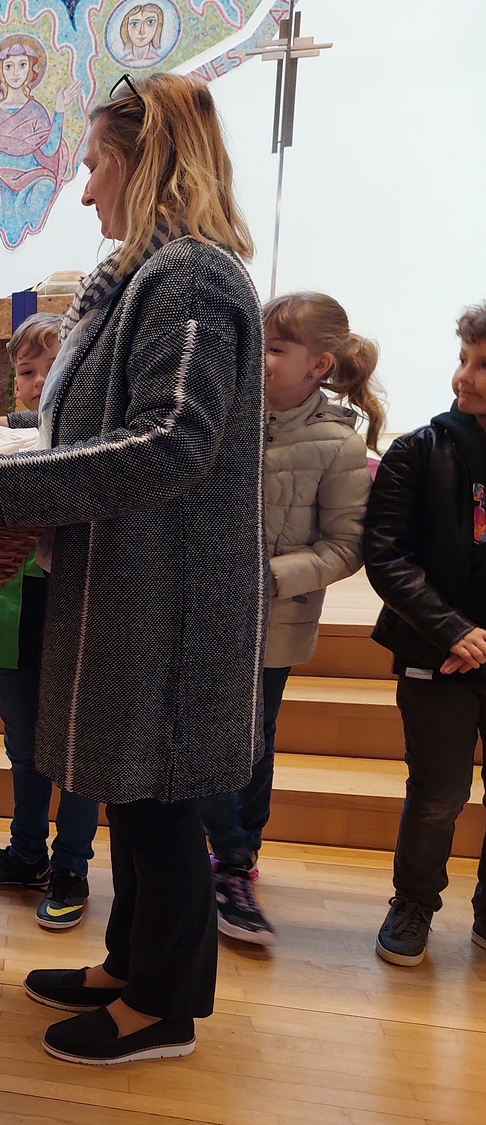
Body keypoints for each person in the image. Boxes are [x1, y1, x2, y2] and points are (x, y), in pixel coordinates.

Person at [0, 73, 264, 1064]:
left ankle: (164, 1006)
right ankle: (129, 962)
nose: (83, 191)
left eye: (94, 168)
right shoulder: (148, 279)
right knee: (131, 791)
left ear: (142, 164)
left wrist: (12, 489)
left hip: (173, 597)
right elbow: (107, 429)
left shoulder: (192, 279)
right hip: (129, 584)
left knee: (159, 799)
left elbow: (175, 439)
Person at [201, 292, 377, 946]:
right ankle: (207, 844)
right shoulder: (221, 414)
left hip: (271, 619)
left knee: (251, 739)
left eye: (275, 348)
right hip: (202, 606)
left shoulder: (338, 443)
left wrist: (268, 578)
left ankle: (236, 860)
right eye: (258, 343)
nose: (259, 357)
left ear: (319, 364)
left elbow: (347, 546)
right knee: (197, 727)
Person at [0, 312, 102, 931]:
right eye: (26, 371)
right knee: (23, 746)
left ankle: (71, 866)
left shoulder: (95, 444)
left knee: (76, 751)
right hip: (12, 618)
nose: (38, 382)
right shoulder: (3, 442)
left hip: (76, 617)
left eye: (52, 368)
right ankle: (26, 852)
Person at [366, 302, 486, 968]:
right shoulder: (419, 450)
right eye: (464, 359)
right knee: (439, 795)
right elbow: (387, 557)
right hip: (434, 653)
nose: (463, 376)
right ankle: (413, 904)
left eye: (482, 365)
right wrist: (453, 631)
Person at [0, 34, 81, 247]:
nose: (15, 72)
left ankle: (38, 249)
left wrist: (59, 109)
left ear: (30, 70)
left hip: (34, 175)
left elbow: (49, 149)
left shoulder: (36, 111)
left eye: (22, 65)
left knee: (45, 186)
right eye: (9, 66)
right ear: (0, 72)